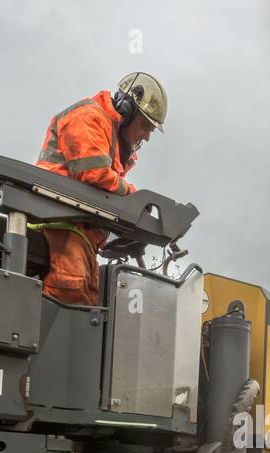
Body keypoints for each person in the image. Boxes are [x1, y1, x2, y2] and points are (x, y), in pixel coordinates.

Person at [34, 72, 167, 305]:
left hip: (81, 235)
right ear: (126, 109)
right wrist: (135, 198)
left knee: (92, 302)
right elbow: (95, 174)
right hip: (57, 223)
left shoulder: (113, 140)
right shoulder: (88, 117)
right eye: (145, 126)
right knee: (70, 294)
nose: (146, 136)